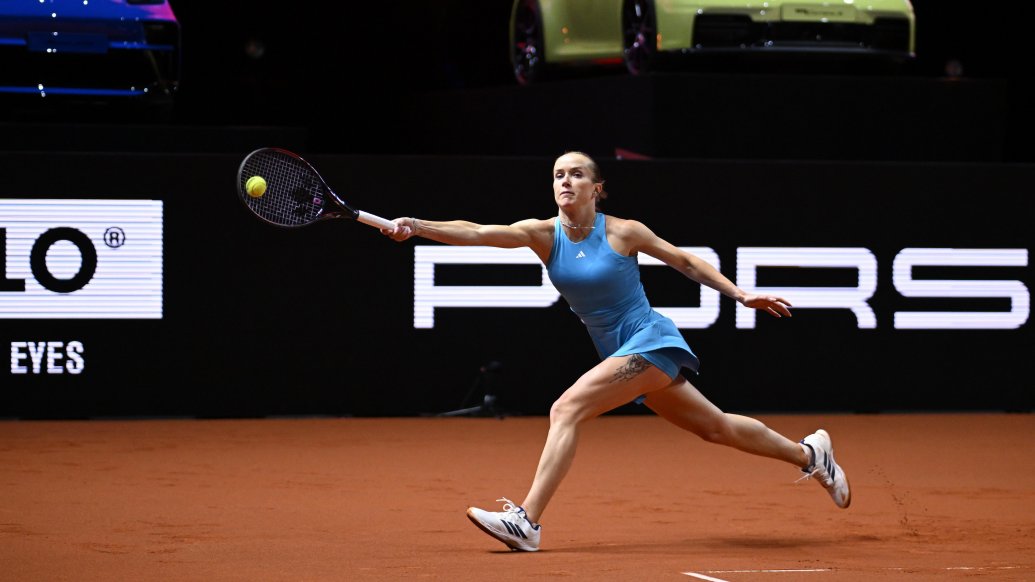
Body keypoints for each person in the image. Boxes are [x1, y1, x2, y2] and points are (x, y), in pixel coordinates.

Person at [382, 151, 850, 552]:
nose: (566, 181)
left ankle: (527, 523)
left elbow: (685, 261)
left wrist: (740, 294)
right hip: (621, 351)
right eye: (558, 175)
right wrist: (417, 226)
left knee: (565, 409)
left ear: (597, 188)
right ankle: (811, 455)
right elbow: (477, 232)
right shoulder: (542, 234)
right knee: (716, 427)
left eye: (577, 174)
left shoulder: (623, 232)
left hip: (650, 340)